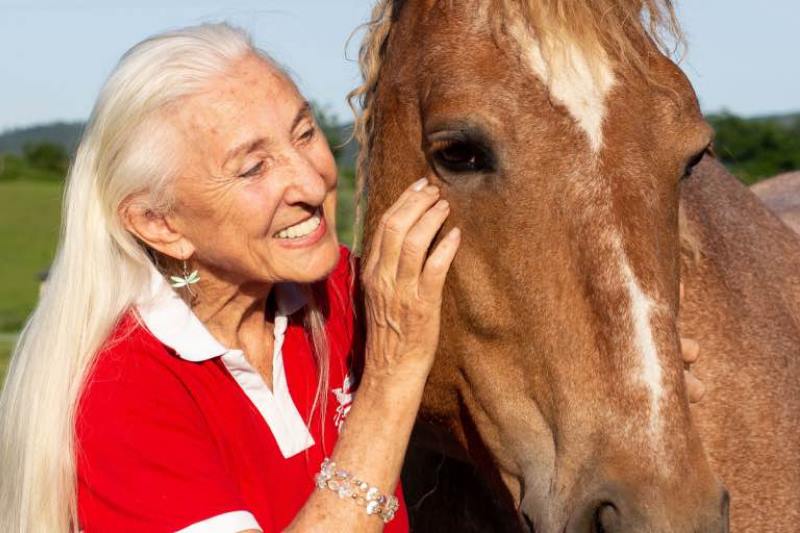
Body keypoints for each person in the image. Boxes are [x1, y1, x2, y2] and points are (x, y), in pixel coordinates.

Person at [0, 23, 704, 533]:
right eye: (253, 167)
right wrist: (393, 373)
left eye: (304, 133)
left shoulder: (343, 292)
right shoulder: (122, 395)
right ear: (161, 225)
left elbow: (503, 352)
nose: (310, 181)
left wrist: (620, 381)